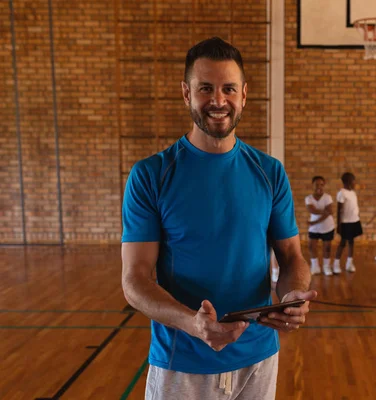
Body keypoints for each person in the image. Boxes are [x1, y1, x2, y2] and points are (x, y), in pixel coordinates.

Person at [121, 37, 316, 400]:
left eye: (228, 88)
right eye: (205, 88)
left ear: (244, 94)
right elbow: (134, 280)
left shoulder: (270, 172)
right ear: (186, 93)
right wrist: (192, 324)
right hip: (181, 361)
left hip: (258, 358)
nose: (218, 100)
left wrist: (291, 296)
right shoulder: (151, 175)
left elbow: (292, 257)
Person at [333, 172, 362, 274]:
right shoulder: (342, 193)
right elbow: (339, 210)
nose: (355, 184)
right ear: (349, 182)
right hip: (345, 223)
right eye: (354, 181)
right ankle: (336, 264)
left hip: (354, 221)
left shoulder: (353, 193)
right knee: (342, 243)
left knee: (351, 242)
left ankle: (349, 263)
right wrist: (339, 224)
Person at [305, 176, 335, 276]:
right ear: (312, 185)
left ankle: (326, 267)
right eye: (317, 184)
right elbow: (312, 210)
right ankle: (315, 266)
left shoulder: (328, 197)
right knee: (311, 246)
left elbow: (329, 213)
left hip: (327, 227)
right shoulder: (308, 198)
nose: (319, 187)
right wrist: (326, 211)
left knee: (327, 247)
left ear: (324, 186)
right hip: (314, 228)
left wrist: (314, 222)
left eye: (321, 185)